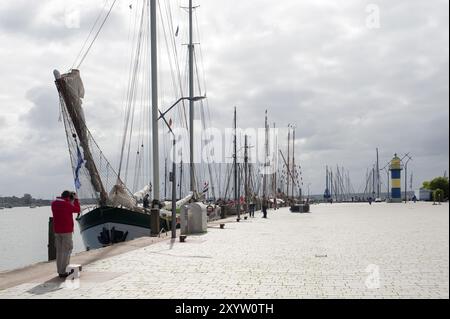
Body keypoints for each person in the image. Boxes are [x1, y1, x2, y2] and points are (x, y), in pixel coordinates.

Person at [51, 191, 81, 278]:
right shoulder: (67, 205)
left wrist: (70, 200)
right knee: (66, 250)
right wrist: (76, 200)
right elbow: (77, 209)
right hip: (66, 231)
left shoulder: (54, 204)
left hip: (57, 231)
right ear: (68, 197)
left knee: (59, 251)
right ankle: (64, 271)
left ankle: (60, 270)